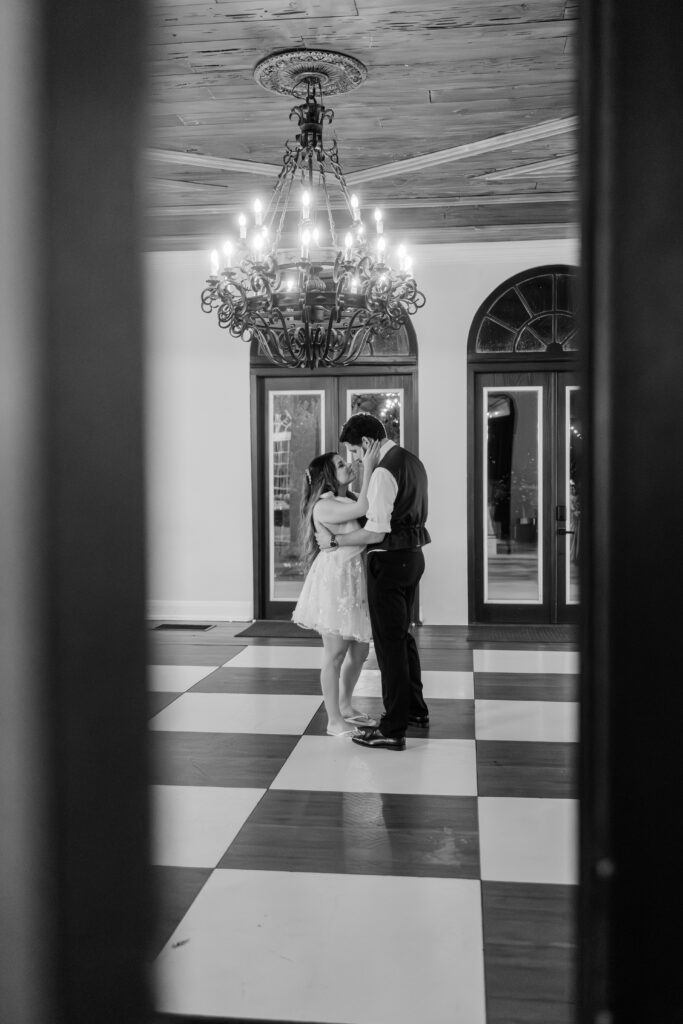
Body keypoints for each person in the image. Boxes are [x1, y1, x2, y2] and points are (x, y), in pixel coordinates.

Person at [316, 413, 430, 751]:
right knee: (402, 639)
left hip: (389, 562)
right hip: (413, 557)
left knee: (389, 646)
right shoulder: (411, 461)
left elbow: (376, 531)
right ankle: (415, 710)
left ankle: (392, 729)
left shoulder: (381, 472)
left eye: (354, 451)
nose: (354, 459)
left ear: (366, 443)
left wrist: (334, 542)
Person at [292, 442, 381, 736]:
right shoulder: (324, 505)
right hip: (336, 581)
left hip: (353, 578)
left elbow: (368, 526)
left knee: (360, 649)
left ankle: (345, 705)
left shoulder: (346, 499)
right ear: (328, 476)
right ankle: (333, 720)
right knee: (335, 653)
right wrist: (369, 467)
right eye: (341, 464)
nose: (348, 465)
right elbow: (363, 509)